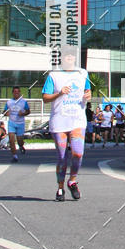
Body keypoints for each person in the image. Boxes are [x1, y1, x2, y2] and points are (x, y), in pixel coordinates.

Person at [42, 48, 91, 200]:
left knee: (78, 153)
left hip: (77, 119)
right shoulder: (53, 75)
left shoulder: (82, 73)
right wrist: (60, 93)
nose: (69, 58)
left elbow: (88, 92)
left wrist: (88, 95)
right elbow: (45, 98)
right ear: (62, 58)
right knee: (62, 157)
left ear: (75, 58)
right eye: (66, 55)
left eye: (72, 55)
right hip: (59, 121)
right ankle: (60, 188)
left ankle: (72, 181)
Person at [2, 86, 30, 161]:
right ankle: (14, 156)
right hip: (12, 123)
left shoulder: (23, 102)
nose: (16, 93)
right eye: (15, 92)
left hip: (20, 123)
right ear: (13, 93)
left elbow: (28, 111)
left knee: (20, 140)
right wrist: (6, 113)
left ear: (19, 93)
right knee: (11, 140)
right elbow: (4, 112)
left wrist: (23, 114)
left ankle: (21, 146)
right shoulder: (9, 102)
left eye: (18, 92)